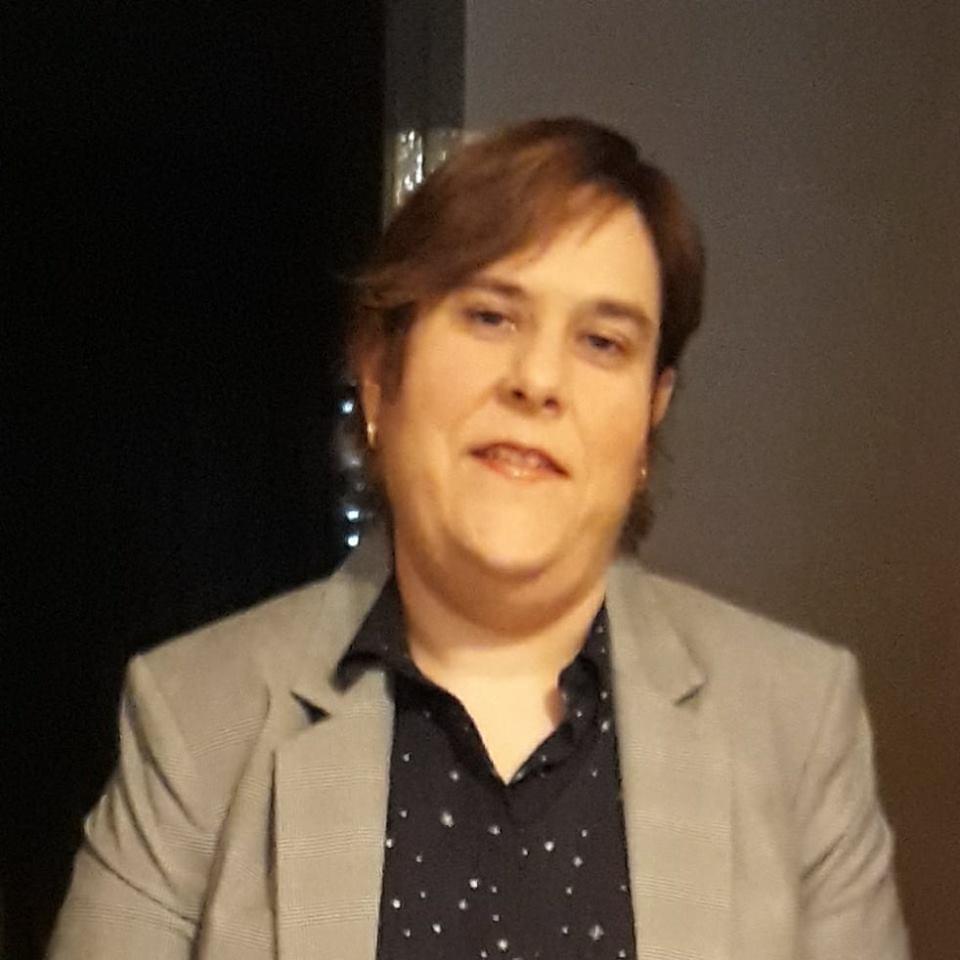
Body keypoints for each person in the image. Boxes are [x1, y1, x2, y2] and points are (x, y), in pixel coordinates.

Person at [48, 118, 910, 959]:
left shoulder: (795, 721)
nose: (537, 379)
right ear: (380, 373)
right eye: (492, 317)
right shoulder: (199, 716)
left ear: (652, 413)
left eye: (602, 342)